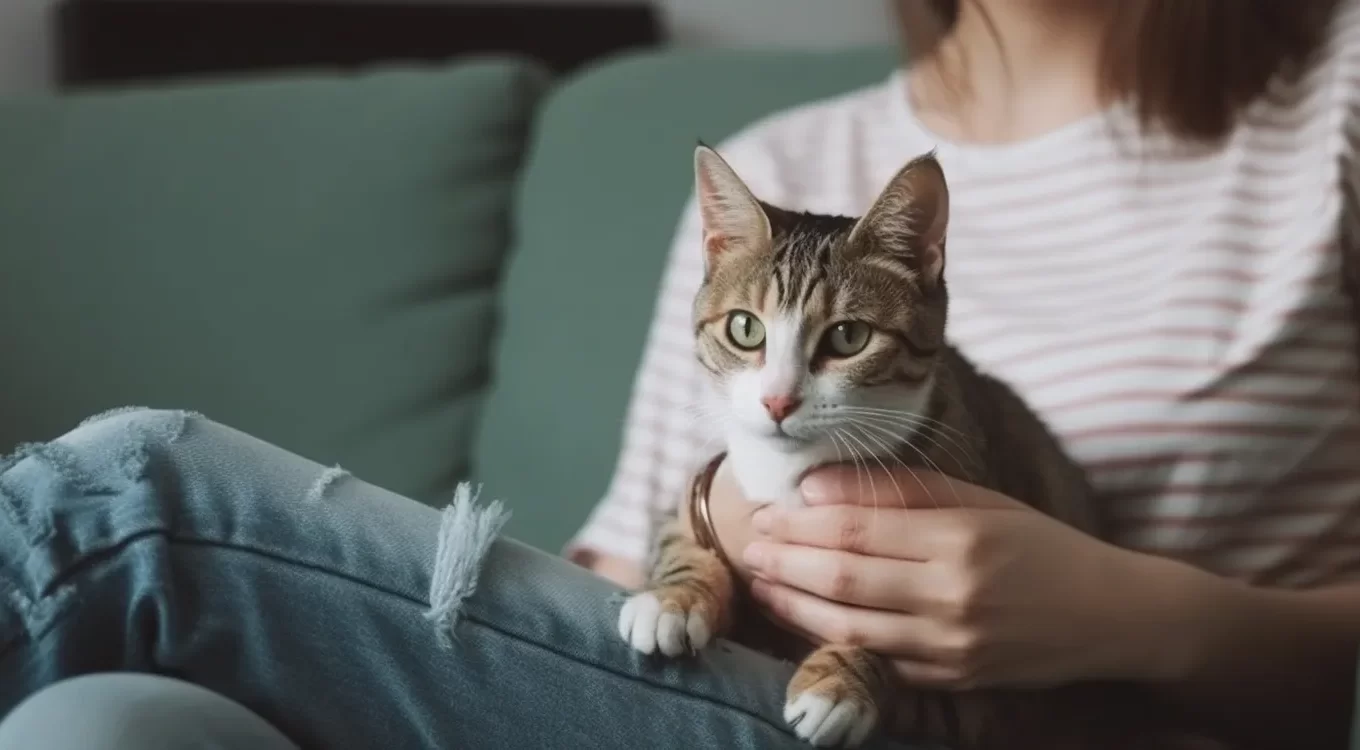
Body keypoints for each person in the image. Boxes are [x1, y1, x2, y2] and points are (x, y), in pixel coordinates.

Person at [2, 0, 1360, 748]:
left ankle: (112, 532)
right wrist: (713, 528)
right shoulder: (776, 168)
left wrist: (1141, 615)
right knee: (101, 723)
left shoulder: (1340, 93)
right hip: (693, 691)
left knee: (143, 510)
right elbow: (599, 606)